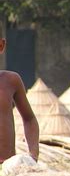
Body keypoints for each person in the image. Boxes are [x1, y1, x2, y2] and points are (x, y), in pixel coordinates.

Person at [0, 33, 40, 166]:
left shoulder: (11, 81)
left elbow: (29, 119)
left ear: (1, 46)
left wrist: (33, 156)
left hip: (8, 168)